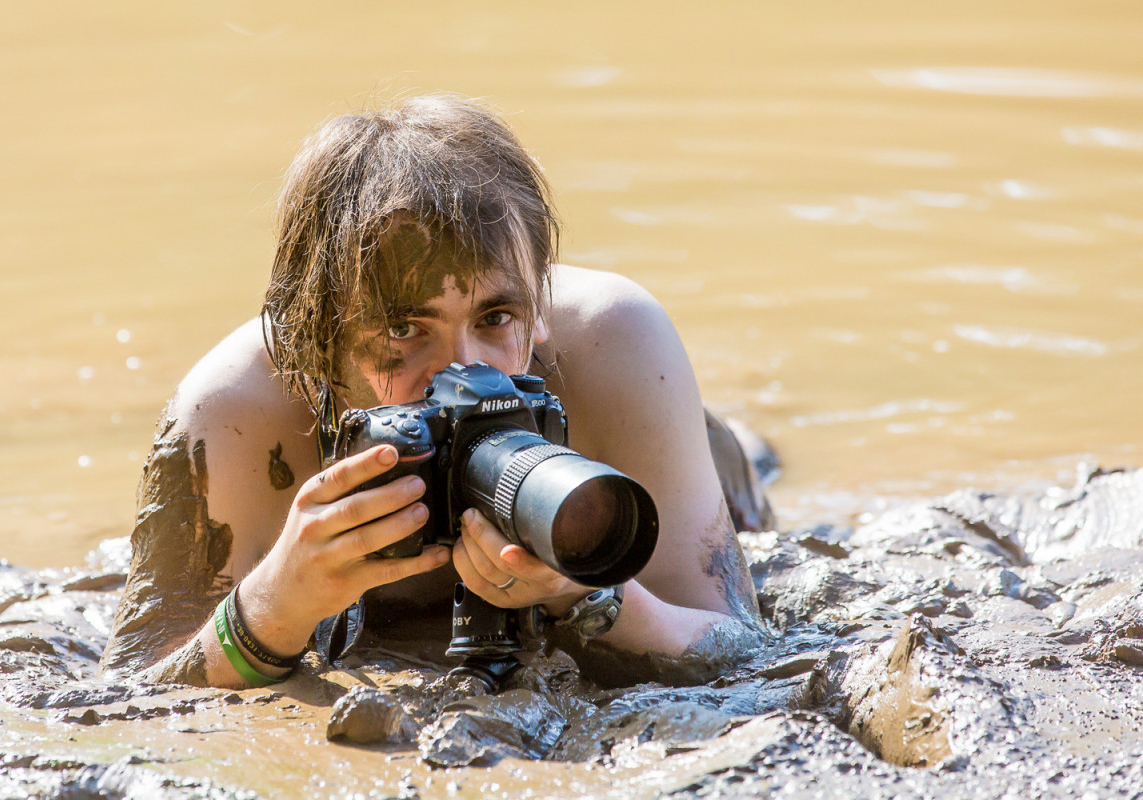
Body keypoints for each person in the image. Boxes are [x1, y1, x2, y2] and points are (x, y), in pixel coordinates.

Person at [99, 94, 774, 690]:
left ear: (540, 307)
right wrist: (274, 603)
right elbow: (125, 693)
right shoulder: (237, 416)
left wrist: (593, 594)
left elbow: (742, 648)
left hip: (681, 452)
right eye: (402, 328)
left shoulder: (616, 343)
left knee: (747, 475)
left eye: (495, 319)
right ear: (314, 338)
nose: (464, 372)